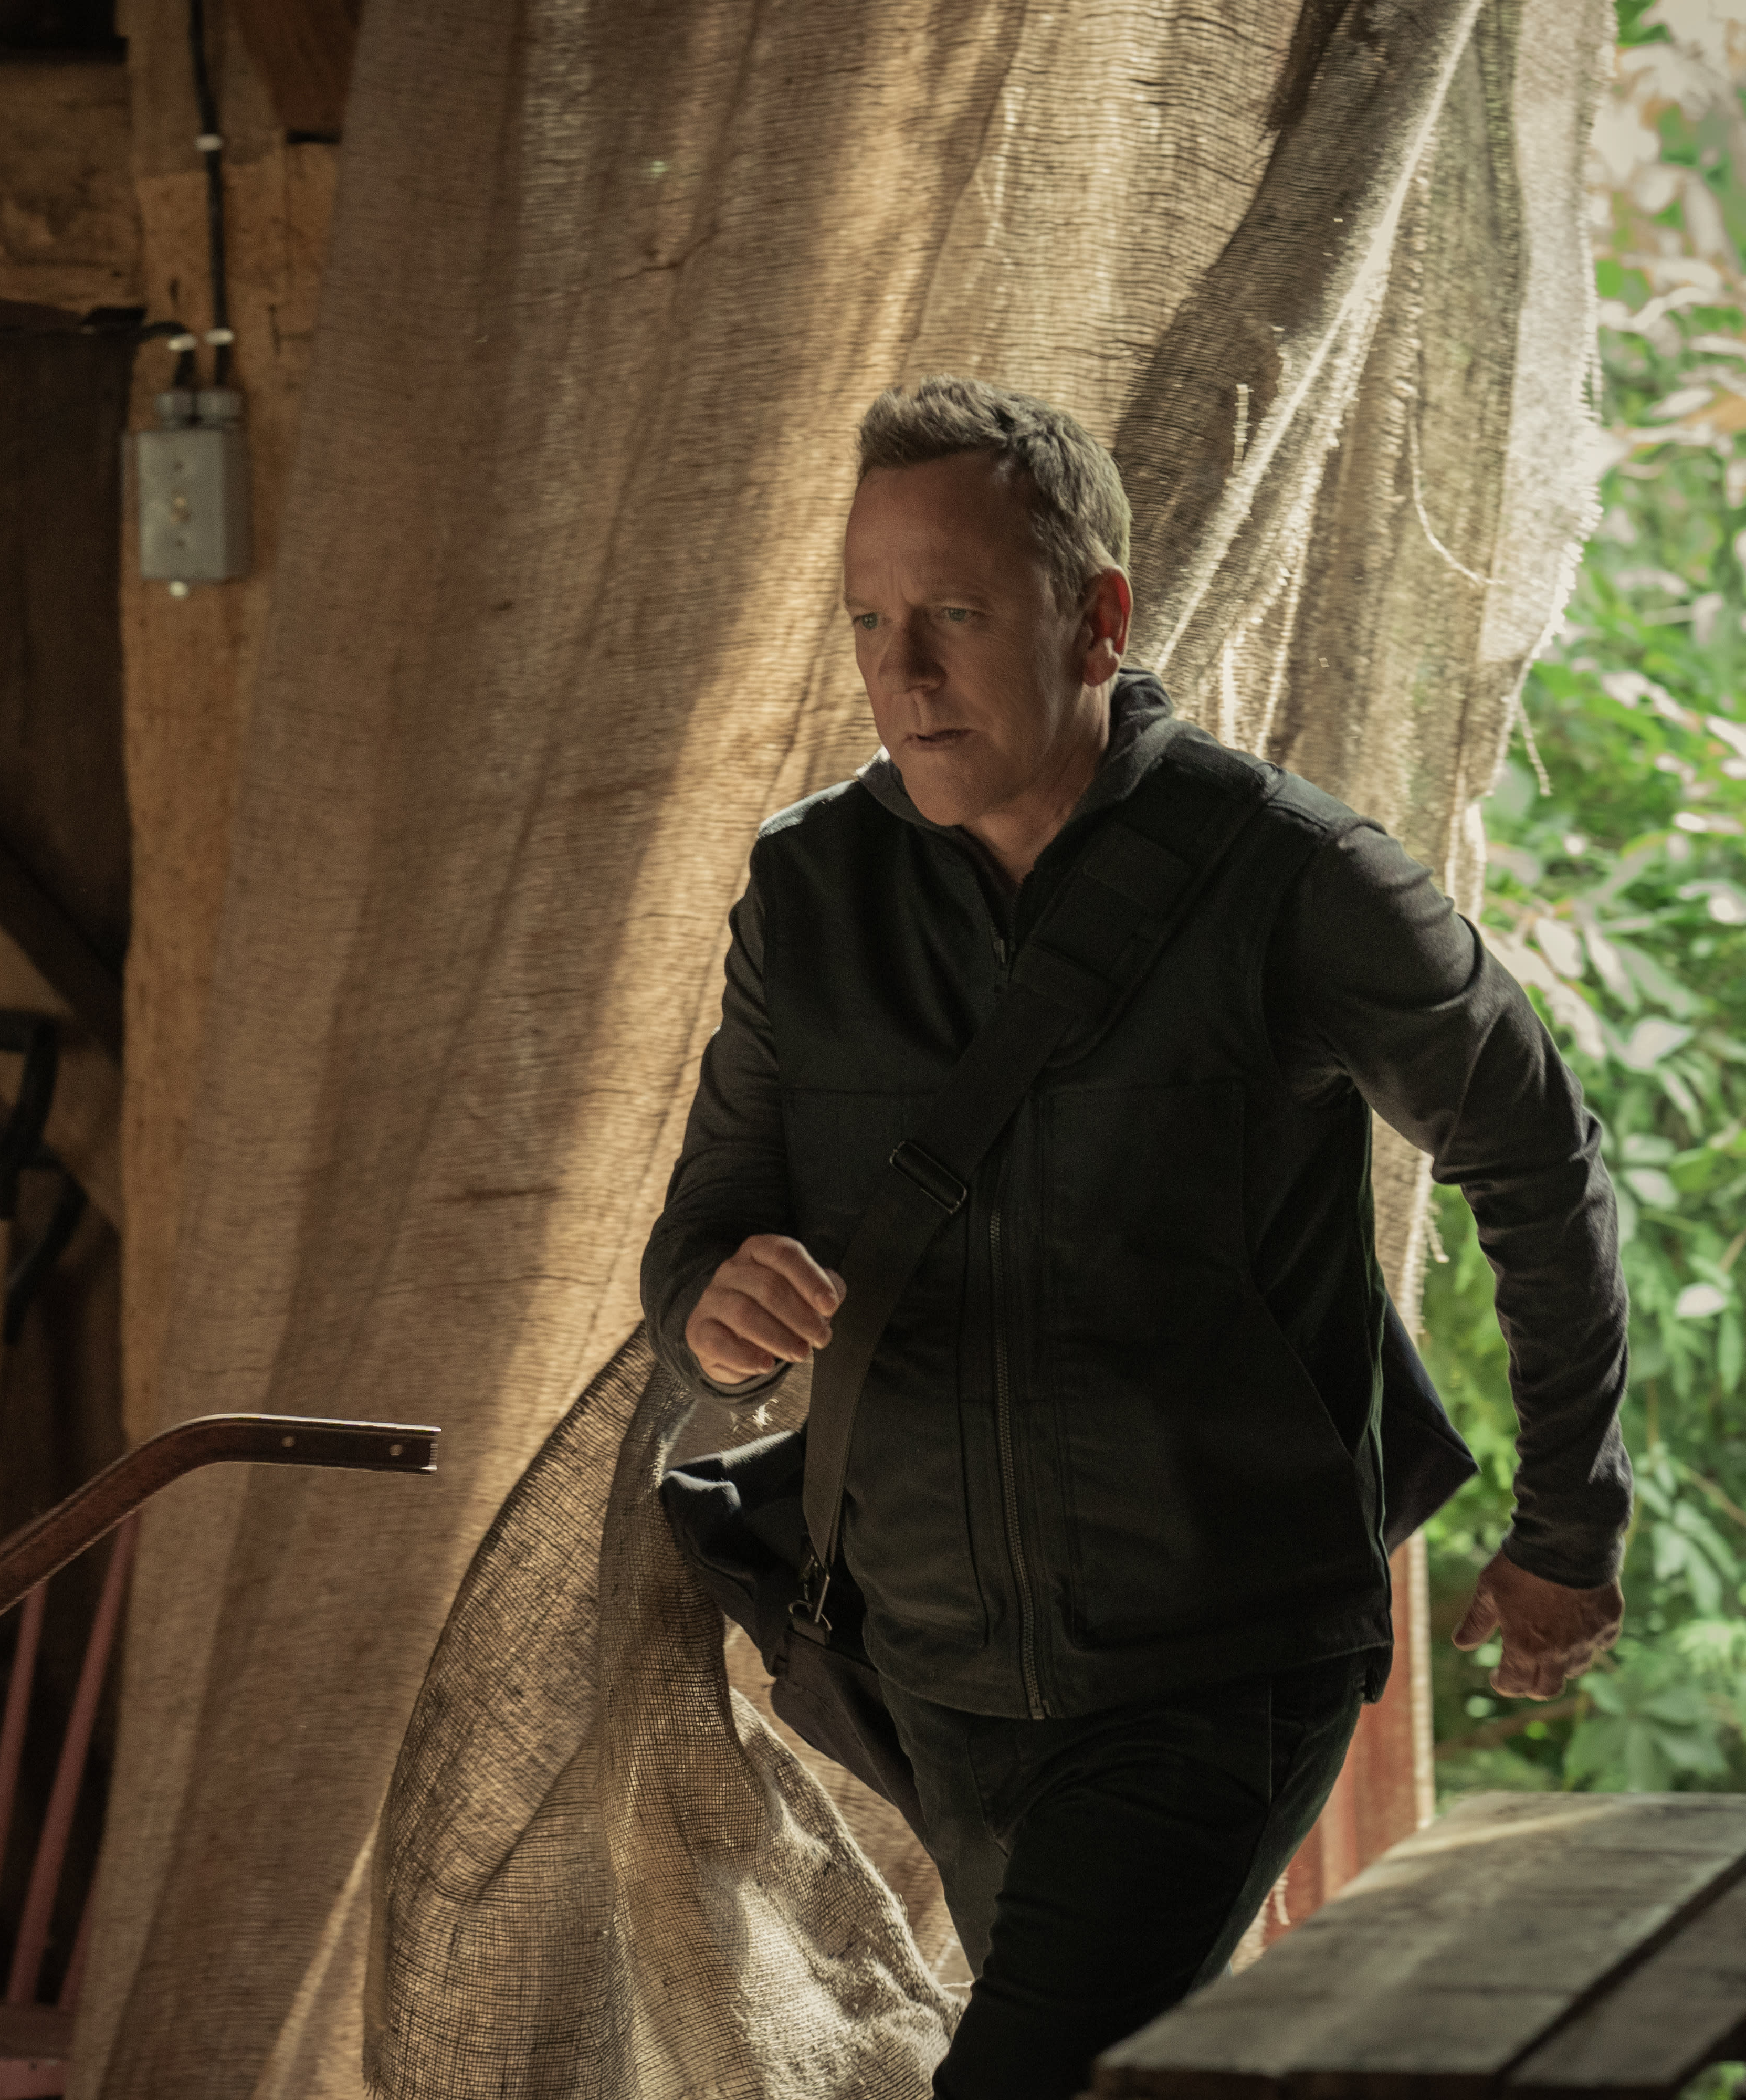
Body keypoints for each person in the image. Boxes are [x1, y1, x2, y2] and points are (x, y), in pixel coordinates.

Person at [639, 375, 1631, 2100]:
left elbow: (1540, 1155)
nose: (902, 670)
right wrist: (709, 1308)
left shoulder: (1299, 880)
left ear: (1098, 617)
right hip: (923, 1670)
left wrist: (1568, 1523)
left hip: (1213, 1671)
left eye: (953, 615)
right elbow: (706, 1222)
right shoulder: (811, 890)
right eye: (870, 620)